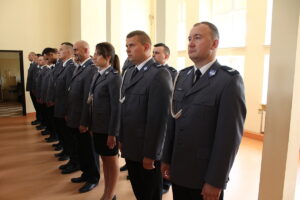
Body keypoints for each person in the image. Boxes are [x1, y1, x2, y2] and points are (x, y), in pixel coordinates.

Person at [161, 21, 247, 200]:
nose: (190, 43)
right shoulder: (182, 76)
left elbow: (228, 139)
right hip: (179, 169)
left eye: (197, 38)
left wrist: (216, 180)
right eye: (189, 38)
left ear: (214, 44)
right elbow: (173, 123)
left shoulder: (228, 80)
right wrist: (166, 158)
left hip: (204, 174)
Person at [119, 30, 172, 200]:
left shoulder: (159, 74)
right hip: (131, 145)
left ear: (146, 47)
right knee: (139, 190)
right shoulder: (129, 72)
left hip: (146, 149)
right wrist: (121, 138)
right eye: (126, 46)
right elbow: (124, 108)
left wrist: (151, 154)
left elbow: (159, 120)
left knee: (150, 193)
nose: (128, 49)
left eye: (132, 45)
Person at [65, 40, 99, 193]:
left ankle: (93, 178)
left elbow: (88, 98)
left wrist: (84, 122)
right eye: (73, 50)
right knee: (82, 149)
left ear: (86, 50)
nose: (74, 52)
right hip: (75, 117)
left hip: (83, 120)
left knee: (89, 151)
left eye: (76, 50)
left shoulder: (91, 69)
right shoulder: (80, 68)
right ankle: (86, 173)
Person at [90, 42, 121, 200]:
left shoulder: (114, 77)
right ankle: (108, 192)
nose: (94, 57)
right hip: (98, 127)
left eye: (97, 54)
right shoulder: (98, 74)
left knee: (111, 161)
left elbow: (116, 108)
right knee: (105, 161)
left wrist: (112, 133)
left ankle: (110, 194)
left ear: (108, 57)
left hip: (108, 129)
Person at [152, 42, 177, 194]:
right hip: (155, 115)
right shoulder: (151, 71)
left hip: (167, 117)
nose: (154, 55)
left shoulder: (172, 73)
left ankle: (165, 183)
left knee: (164, 151)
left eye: (157, 53)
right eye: (153, 52)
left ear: (166, 56)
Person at [52, 42, 77, 170]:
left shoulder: (71, 67)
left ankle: (73, 161)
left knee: (69, 137)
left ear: (68, 52)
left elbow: (69, 92)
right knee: (64, 134)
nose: (58, 52)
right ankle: (68, 154)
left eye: (61, 50)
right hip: (60, 106)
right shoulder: (63, 66)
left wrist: (68, 111)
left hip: (65, 108)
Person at [26, 52, 40, 125]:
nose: (28, 56)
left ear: (34, 56)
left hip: (34, 90)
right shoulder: (32, 64)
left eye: (29, 55)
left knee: (38, 106)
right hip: (32, 89)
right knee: (36, 106)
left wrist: (34, 90)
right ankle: (38, 119)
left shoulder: (35, 65)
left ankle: (40, 120)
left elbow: (35, 79)